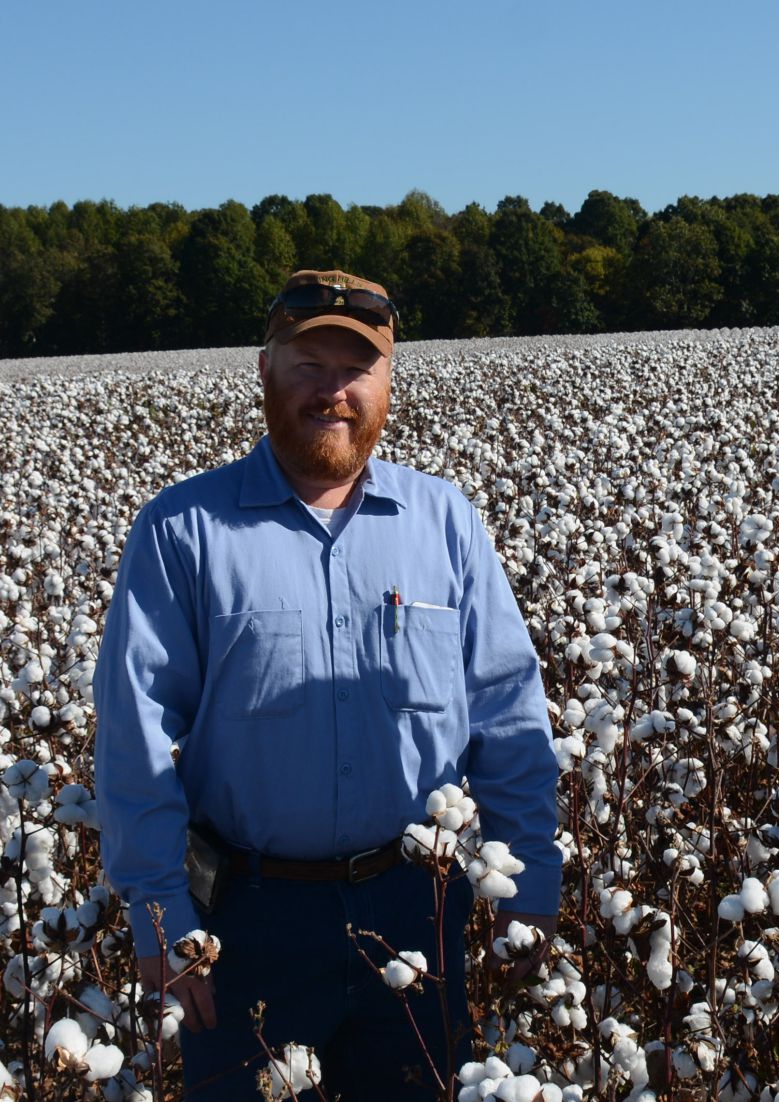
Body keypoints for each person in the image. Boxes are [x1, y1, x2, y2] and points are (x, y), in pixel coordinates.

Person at [94, 269, 561, 1099]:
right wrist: (162, 915)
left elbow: (505, 705)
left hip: (419, 907)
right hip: (244, 923)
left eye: (357, 368)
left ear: (387, 381)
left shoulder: (445, 521)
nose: (334, 390)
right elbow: (135, 732)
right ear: (264, 368)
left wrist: (530, 875)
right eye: (310, 364)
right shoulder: (182, 530)